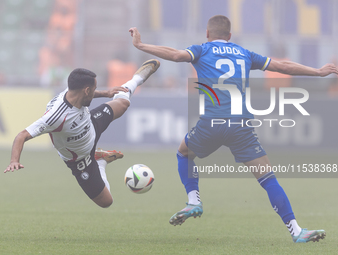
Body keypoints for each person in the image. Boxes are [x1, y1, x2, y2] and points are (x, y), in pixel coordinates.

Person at [129, 15, 338, 243]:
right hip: (241, 126)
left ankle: (194, 201)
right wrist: (318, 72)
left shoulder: (201, 49)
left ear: (207, 34)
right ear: (230, 36)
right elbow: (282, 66)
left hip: (211, 123)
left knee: (183, 153)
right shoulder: (245, 53)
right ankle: (296, 231)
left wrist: (141, 45)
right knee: (268, 178)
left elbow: (176, 55)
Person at [4, 59, 160, 208]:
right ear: (86, 90)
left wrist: (106, 93)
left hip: (91, 124)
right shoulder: (55, 117)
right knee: (106, 202)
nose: (94, 92)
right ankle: (99, 161)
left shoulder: (73, 90)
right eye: (93, 90)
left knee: (123, 103)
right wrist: (14, 161)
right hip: (80, 158)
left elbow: (88, 94)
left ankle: (137, 79)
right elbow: (22, 135)